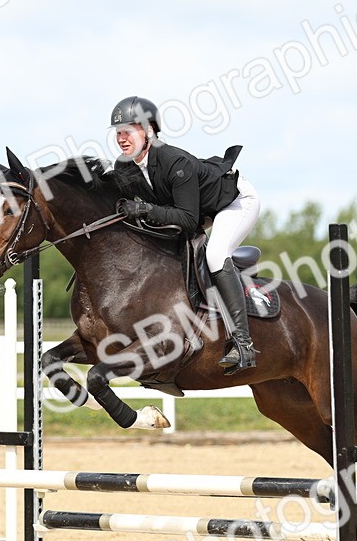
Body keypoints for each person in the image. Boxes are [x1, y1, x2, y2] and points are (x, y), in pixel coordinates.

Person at [109, 95, 261, 373]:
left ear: (149, 131)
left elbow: (189, 220)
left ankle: (243, 344)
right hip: (195, 209)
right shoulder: (124, 167)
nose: (121, 138)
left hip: (234, 203)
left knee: (215, 255)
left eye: (128, 131)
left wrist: (144, 208)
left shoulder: (174, 161)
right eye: (118, 132)